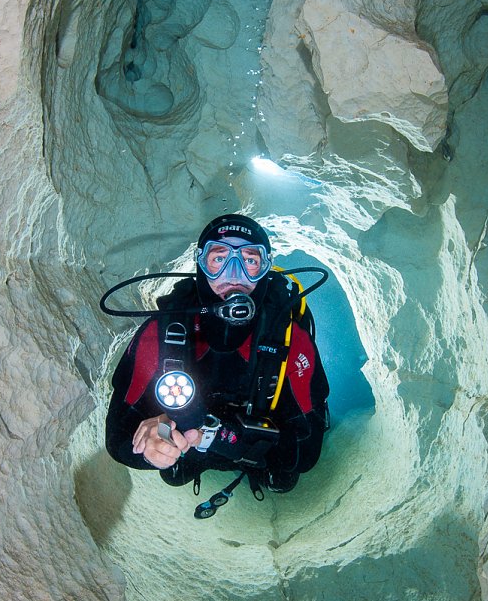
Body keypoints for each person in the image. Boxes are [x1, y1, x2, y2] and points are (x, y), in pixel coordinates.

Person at [105, 214, 329, 516]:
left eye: (249, 261)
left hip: (255, 451)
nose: (234, 275)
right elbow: (118, 436)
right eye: (219, 258)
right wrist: (152, 448)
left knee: (284, 479)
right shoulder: (162, 332)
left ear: (264, 268)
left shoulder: (291, 339)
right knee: (172, 473)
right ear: (200, 265)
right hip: (194, 449)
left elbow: (307, 451)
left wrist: (231, 439)